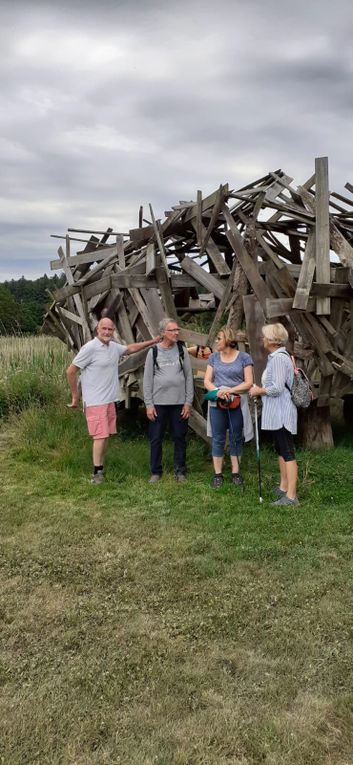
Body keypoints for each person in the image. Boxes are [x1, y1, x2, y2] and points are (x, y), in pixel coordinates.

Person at [66, 317, 159, 483]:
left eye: (110, 329)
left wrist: (152, 341)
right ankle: (97, 473)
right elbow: (71, 371)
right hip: (95, 401)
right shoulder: (90, 348)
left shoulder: (113, 347)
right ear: (98, 330)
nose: (108, 332)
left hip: (108, 400)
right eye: (104, 329)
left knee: (105, 435)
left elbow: (130, 349)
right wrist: (75, 396)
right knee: (99, 437)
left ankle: (100, 467)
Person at [249, 323, 299, 506]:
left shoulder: (278, 359)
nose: (262, 339)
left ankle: (292, 497)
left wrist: (258, 391)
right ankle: (284, 487)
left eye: (264, 337)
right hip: (277, 413)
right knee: (280, 450)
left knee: (288, 452)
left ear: (271, 340)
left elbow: (277, 388)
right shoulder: (277, 357)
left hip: (282, 413)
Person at [143, 317, 194, 483]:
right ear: (163, 333)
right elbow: (147, 380)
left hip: (179, 403)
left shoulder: (182, 350)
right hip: (158, 403)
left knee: (179, 437)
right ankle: (155, 472)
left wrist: (188, 402)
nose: (176, 333)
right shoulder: (153, 352)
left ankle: (180, 471)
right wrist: (149, 404)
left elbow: (188, 378)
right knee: (156, 438)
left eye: (177, 330)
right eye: (172, 330)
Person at [204, 326, 253, 488]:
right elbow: (207, 381)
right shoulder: (213, 358)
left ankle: (235, 472)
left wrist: (230, 390)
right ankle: (217, 474)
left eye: (219, 338)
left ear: (228, 340)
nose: (217, 341)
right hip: (217, 402)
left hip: (237, 402)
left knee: (235, 437)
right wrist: (218, 392)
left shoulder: (244, 358)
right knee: (217, 438)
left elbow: (248, 382)